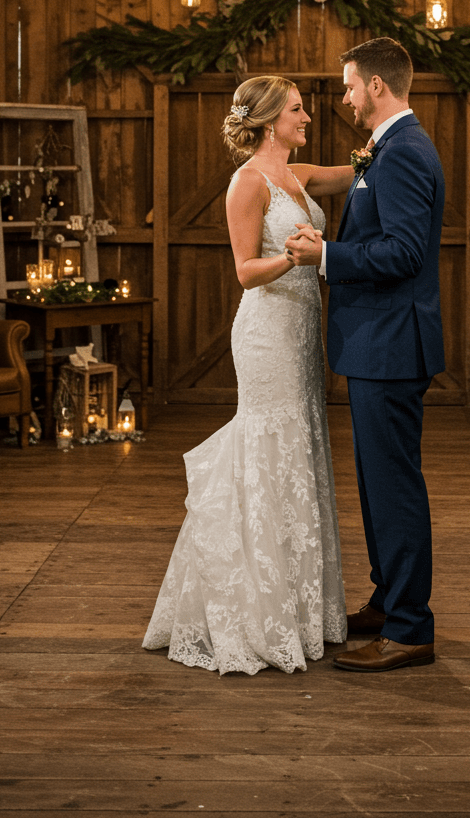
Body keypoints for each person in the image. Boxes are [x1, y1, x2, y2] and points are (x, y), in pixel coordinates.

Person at [142, 75, 354, 675]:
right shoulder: (248, 183)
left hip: (302, 332)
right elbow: (242, 270)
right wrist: (294, 255)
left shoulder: (297, 174)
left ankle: (298, 604)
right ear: (267, 122)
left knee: (301, 445)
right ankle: (250, 607)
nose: (307, 116)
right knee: (268, 448)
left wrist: (382, 142)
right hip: (265, 332)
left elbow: (351, 173)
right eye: (297, 110)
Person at [285, 37, 445, 673]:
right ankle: (387, 601)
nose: (344, 96)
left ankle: (410, 627)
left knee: (395, 486)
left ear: (377, 86)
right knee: (377, 486)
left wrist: (324, 256)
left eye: (349, 85)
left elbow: (404, 253)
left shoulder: (403, 152)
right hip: (379, 342)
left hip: (392, 342)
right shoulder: (386, 150)